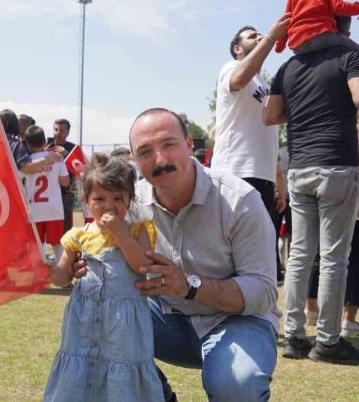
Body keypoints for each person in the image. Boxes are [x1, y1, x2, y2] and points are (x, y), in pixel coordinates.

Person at [73, 108, 279, 401]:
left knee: (236, 385)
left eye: (168, 144)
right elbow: (105, 249)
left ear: (189, 145)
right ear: (135, 161)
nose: (160, 160)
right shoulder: (129, 203)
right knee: (96, 319)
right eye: (145, 152)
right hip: (165, 317)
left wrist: (189, 286)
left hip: (237, 320)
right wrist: (83, 264)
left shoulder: (239, 199)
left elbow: (264, 291)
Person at [263, 14, 359, 364]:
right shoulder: (349, 53)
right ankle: (328, 341)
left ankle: (294, 336)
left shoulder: (288, 66)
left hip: (300, 167)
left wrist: (307, 108)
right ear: (340, 27)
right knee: (333, 258)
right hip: (336, 165)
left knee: (300, 255)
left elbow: (270, 115)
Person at [44, 153, 163, 401]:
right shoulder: (78, 235)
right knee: (81, 372)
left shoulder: (138, 230)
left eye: (118, 198)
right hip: (82, 323)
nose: (109, 205)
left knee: (121, 375)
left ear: (130, 198)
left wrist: (120, 233)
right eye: (99, 198)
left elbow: (142, 265)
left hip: (124, 327)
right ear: (86, 201)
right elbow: (65, 277)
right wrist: (52, 272)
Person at [212, 15, 291, 283]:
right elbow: (238, 79)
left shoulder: (265, 86)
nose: (258, 37)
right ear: (237, 48)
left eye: (260, 34)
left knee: (259, 252)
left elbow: (274, 123)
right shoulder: (231, 67)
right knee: (234, 250)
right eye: (252, 36)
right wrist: (271, 37)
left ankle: (256, 304)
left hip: (263, 175)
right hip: (236, 171)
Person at [304, 109, 359, 336]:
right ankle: (348, 319)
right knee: (358, 259)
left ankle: (311, 309)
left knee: (320, 253)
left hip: (333, 193)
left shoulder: (331, 117)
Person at [21, 125, 70, 262]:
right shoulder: (57, 158)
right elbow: (65, 182)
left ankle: (39, 271)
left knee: (37, 244)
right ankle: (62, 272)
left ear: (28, 145)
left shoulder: (27, 162)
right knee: (57, 244)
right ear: (44, 142)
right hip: (54, 209)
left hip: (34, 209)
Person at [46, 118, 76, 232]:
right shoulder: (45, 146)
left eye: (61, 130)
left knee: (65, 226)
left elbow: (80, 168)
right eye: (56, 129)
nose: (57, 133)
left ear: (68, 132)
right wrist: (44, 152)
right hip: (46, 192)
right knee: (46, 225)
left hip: (65, 193)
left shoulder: (73, 148)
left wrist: (66, 154)